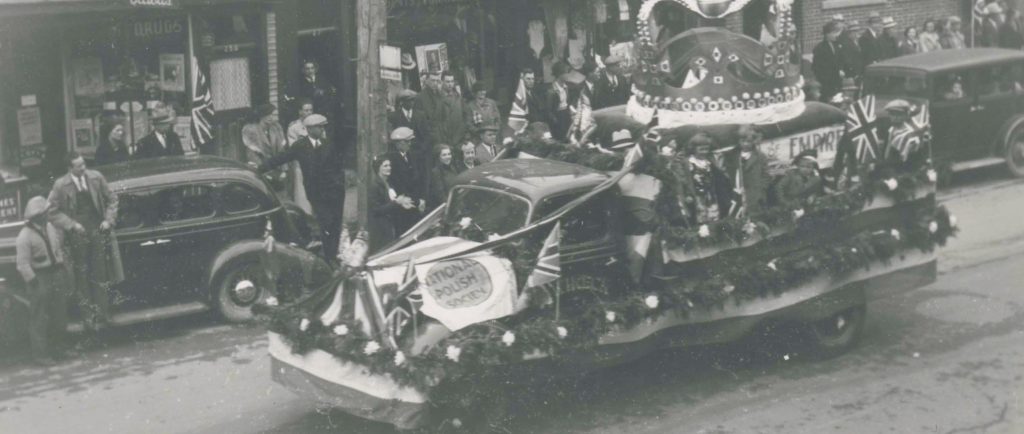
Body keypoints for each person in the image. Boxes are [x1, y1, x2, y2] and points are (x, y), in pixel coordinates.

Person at [47, 152, 123, 334]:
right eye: (79, 166)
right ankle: (88, 318)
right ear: (70, 168)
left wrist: (108, 220)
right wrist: (71, 224)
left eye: (83, 164)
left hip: (97, 231)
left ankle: (104, 314)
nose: (83, 168)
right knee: (81, 276)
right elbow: (51, 211)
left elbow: (112, 199)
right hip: (76, 236)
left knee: (100, 273)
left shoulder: (96, 177)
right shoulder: (60, 185)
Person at [259, 114, 346, 260]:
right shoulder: (300, 146)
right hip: (316, 193)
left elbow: (338, 167)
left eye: (323, 126)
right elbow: (282, 158)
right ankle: (328, 257)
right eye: (319, 127)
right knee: (325, 223)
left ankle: (333, 254)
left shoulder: (329, 144)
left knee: (335, 224)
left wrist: (339, 185)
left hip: (334, 192)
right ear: (310, 129)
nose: (322, 129)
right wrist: (261, 168)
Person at [17, 196, 70, 365]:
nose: (47, 214)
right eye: (44, 212)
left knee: (59, 314)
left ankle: (60, 349)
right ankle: (41, 356)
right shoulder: (24, 236)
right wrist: (34, 283)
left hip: (55, 274)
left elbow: (57, 248)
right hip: (39, 277)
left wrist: (61, 266)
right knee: (39, 318)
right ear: (36, 216)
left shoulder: (50, 228)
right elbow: (22, 264)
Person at [367, 155, 416, 254]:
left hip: (391, 225)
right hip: (380, 227)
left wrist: (402, 203)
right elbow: (376, 210)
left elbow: (392, 202)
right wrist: (396, 203)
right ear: (378, 168)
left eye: (389, 165)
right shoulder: (374, 186)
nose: (389, 168)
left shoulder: (389, 183)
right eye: (385, 166)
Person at [723, 125, 771, 217]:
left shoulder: (760, 157)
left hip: (753, 194)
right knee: (736, 216)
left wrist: (760, 190)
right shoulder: (731, 155)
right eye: (742, 141)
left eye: (748, 141)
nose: (745, 144)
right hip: (735, 193)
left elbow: (766, 176)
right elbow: (726, 172)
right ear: (738, 141)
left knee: (752, 217)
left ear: (754, 142)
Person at [242, 103, 288, 195]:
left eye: (273, 115)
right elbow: (252, 155)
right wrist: (266, 172)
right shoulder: (251, 130)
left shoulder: (276, 128)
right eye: (269, 114)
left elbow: (281, 151)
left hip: (277, 170)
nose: (272, 117)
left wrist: (283, 170)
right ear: (262, 116)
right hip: (261, 170)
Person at [387, 127, 425, 235]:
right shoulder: (392, 159)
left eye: (410, 141)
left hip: (414, 203)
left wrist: (421, 199)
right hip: (403, 205)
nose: (410, 144)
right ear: (398, 143)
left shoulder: (410, 155)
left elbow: (417, 179)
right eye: (407, 141)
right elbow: (398, 183)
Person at [285, 99, 314, 214]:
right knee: (301, 190)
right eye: (306, 110)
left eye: (311, 110)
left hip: (316, 161)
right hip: (301, 163)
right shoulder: (294, 127)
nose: (309, 112)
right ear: (300, 112)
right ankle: (304, 214)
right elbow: (294, 147)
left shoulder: (317, 124)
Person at [813, 21, 847, 103]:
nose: (837, 35)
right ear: (827, 34)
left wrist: (841, 69)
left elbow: (840, 60)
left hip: (837, 82)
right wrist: (834, 73)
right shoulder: (820, 48)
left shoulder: (837, 45)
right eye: (834, 32)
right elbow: (818, 67)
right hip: (827, 83)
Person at [545, 62, 574, 142]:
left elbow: (568, 103)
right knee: (560, 139)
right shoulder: (551, 90)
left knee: (568, 138)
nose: (568, 75)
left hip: (566, 116)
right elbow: (549, 110)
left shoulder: (566, 87)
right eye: (566, 73)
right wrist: (555, 121)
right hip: (557, 117)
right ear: (559, 74)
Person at [428, 144, 460, 209]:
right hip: (448, 207)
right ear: (438, 157)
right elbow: (440, 195)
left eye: (449, 154)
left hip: (458, 204)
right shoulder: (436, 172)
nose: (448, 157)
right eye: (444, 155)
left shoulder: (453, 168)